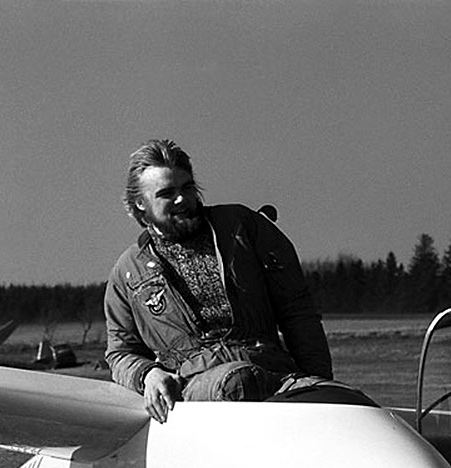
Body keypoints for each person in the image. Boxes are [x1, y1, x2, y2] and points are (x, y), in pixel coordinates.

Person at [104, 138, 335, 423]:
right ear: (140, 204)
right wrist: (147, 374)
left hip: (274, 369)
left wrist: (322, 392)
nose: (181, 199)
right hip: (196, 387)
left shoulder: (244, 229)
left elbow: (297, 312)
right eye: (166, 193)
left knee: (352, 403)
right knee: (238, 382)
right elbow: (120, 354)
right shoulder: (128, 272)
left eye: (187, 187)